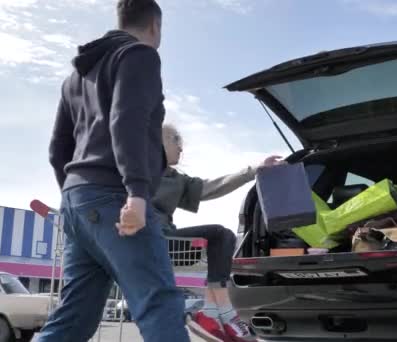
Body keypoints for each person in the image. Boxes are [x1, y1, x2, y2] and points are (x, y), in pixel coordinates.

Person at [39, 1, 191, 341]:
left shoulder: (76, 77)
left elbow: (57, 149)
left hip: (79, 202)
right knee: (160, 303)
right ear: (155, 26)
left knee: (74, 317)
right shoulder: (139, 55)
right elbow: (128, 121)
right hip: (115, 199)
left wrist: (76, 193)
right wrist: (137, 192)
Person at [154, 124, 282, 342]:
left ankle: (214, 310)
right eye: (176, 140)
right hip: (142, 239)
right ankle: (221, 312)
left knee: (222, 236)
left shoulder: (176, 179)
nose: (181, 148)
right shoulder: (132, 168)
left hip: (168, 240)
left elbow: (212, 187)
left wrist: (254, 170)